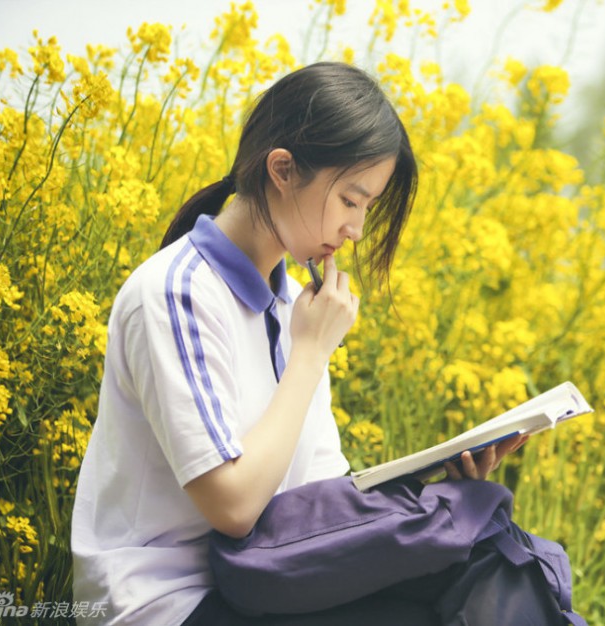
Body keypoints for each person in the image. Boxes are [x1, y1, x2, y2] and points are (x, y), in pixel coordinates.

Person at [71, 62, 532, 626]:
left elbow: (317, 495)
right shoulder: (177, 294)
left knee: (478, 567)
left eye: (367, 207)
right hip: (166, 598)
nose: (357, 229)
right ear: (283, 170)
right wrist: (310, 353)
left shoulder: (295, 305)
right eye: (350, 200)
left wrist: (435, 488)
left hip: (262, 578)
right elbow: (235, 507)